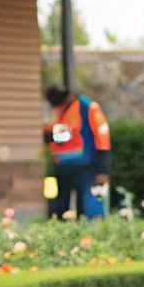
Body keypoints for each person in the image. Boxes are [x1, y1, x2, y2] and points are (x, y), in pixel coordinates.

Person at [43, 86, 111, 219]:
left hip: (85, 167)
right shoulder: (60, 110)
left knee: (88, 208)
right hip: (63, 166)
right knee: (60, 208)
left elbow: (102, 137)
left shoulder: (87, 108)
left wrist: (102, 170)